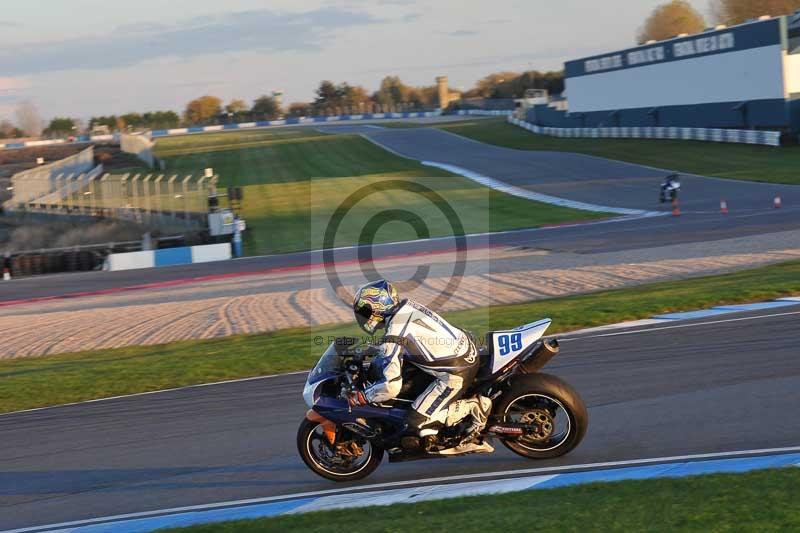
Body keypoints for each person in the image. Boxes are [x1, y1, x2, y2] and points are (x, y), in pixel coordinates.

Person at [348, 279, 492, 454]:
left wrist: (363, 397)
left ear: (379, 307)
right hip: (462, 350)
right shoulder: (406, 307)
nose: (363, 317)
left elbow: (391, 387)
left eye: (365, 311)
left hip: (455, 372)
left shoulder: (394, 331)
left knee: (414, 422)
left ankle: (474, 406)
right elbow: (406, 339)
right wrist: (375, 349)